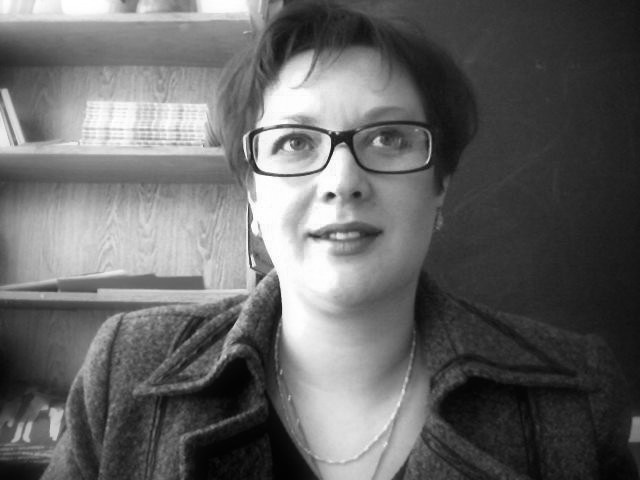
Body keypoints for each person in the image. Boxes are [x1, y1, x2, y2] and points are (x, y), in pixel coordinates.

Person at [43, 1, 638, 479]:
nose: (342, 181)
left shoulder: (573, 397)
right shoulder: (126, 370)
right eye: (295, 143)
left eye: (389, 138)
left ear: (440, 184)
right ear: (253, 195)